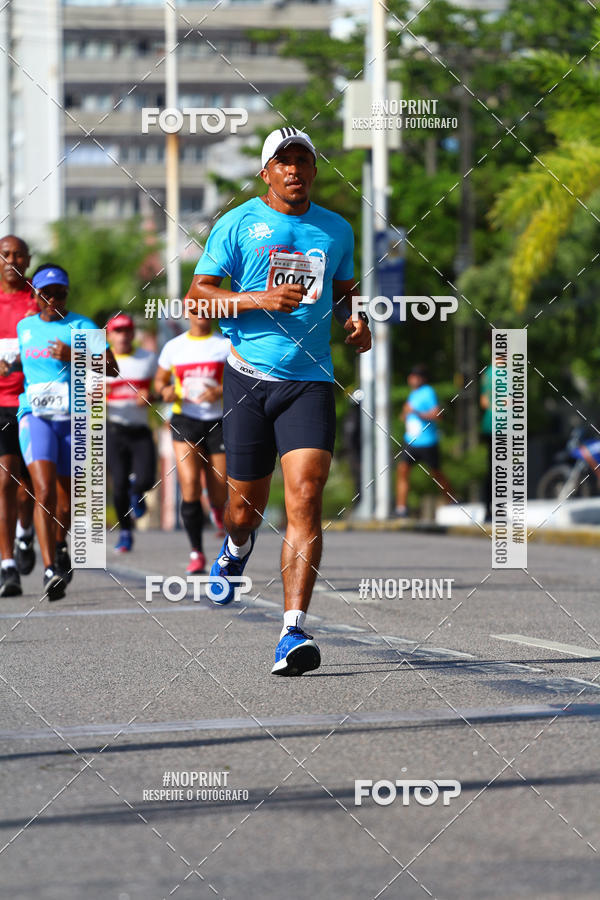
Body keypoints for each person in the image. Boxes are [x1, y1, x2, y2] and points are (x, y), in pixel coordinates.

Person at [187, 126, 371, 676]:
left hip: (310, 382)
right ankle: (236, 548)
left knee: (307, 497)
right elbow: (198, 297)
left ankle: (292, 630)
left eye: (303, 161)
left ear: (314, 170)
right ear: (266, 172)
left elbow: (346, 292)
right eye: (283, 161)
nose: (294, 170)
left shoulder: (336, 229)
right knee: (244, 510)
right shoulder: (238, 223)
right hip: (247, 379)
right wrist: (258, 299)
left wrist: (356, 321)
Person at [14, 264, 118, 600]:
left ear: (66, 294)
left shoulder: (83, 326)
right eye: (46, 293)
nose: (53, 299)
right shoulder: (24, 327)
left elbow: (113, 368)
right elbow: (20, 363)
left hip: (75, 419)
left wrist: (76, 355)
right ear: (35, 294)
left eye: (60, 293)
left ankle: (60, 544)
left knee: (66, 504)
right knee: (43, 492)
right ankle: (49, 569)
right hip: (35, 417)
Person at [154, 309, 229, 574]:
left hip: (218, 420)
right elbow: (159, 381)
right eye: (196, 310)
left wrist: (219, 390)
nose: (202, 315)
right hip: (185, 420)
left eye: (207, 310)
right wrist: (165, 390)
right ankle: (196, 552)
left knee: (220, 488)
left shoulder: (225, 344)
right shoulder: (174, 347)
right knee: (190, 485)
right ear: (188, 313)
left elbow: (240, 379)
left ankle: (217, 510)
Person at [0, 235, 37, 595]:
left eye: (19, 255)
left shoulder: (39, 299)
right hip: (1, 403)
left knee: (30, 489)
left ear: (28, 260)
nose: (12, 260)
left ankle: (26, 532)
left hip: (35, 401)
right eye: (5, 254)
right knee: (5, 482)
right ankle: (7, 564)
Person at [106, 313, 157, 552]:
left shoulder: (148, 358)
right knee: (118, 485)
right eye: (118, 331)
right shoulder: (99, 363)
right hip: (113, 429)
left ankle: (137, 490)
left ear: (133, 333)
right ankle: (125, 532)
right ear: (109, 336)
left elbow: (164, 387)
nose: (123, 335)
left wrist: (151, 395)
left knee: (146, 479)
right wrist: (96, 397)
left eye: (127, 330)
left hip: (140, 429)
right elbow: (84, 397)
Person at [395, 364, 453, 517]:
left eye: (416, 376)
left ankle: (451, 500)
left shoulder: (428, 392)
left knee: (436, 473)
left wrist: (417, 413)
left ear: (422, 379)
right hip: (410, 441)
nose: (412, 379)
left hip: (427, 441)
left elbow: (438, 415)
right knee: (402, 470)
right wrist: (405, 413)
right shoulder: (412, 394)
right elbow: (404, 416)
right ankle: (401, 508)